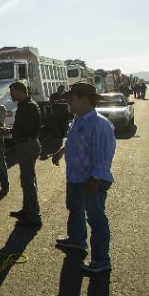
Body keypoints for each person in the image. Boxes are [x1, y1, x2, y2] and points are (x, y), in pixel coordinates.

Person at [51, 82, 116, 273]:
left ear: (85, 99)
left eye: (72, 99)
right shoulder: (78, 119)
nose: (69, 102)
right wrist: (61, 151)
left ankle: (101, 260)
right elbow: (74, 141)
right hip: (76, 177)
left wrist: (95, 179)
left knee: (96, 220)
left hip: (91, 181)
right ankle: (77, 240)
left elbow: (104, 156)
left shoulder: (100, 124)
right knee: (74, 208)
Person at [8, 82, 42, 226]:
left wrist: (10, 132)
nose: (11, 94)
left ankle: (33, 214)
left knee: (28, 181)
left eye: (12, 92)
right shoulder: (25, 105)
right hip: (26, 144)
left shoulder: (28, 106)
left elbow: (25, 129)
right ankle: (27, 209)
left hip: (27, 145)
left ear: (21, 91)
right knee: (27, 179)